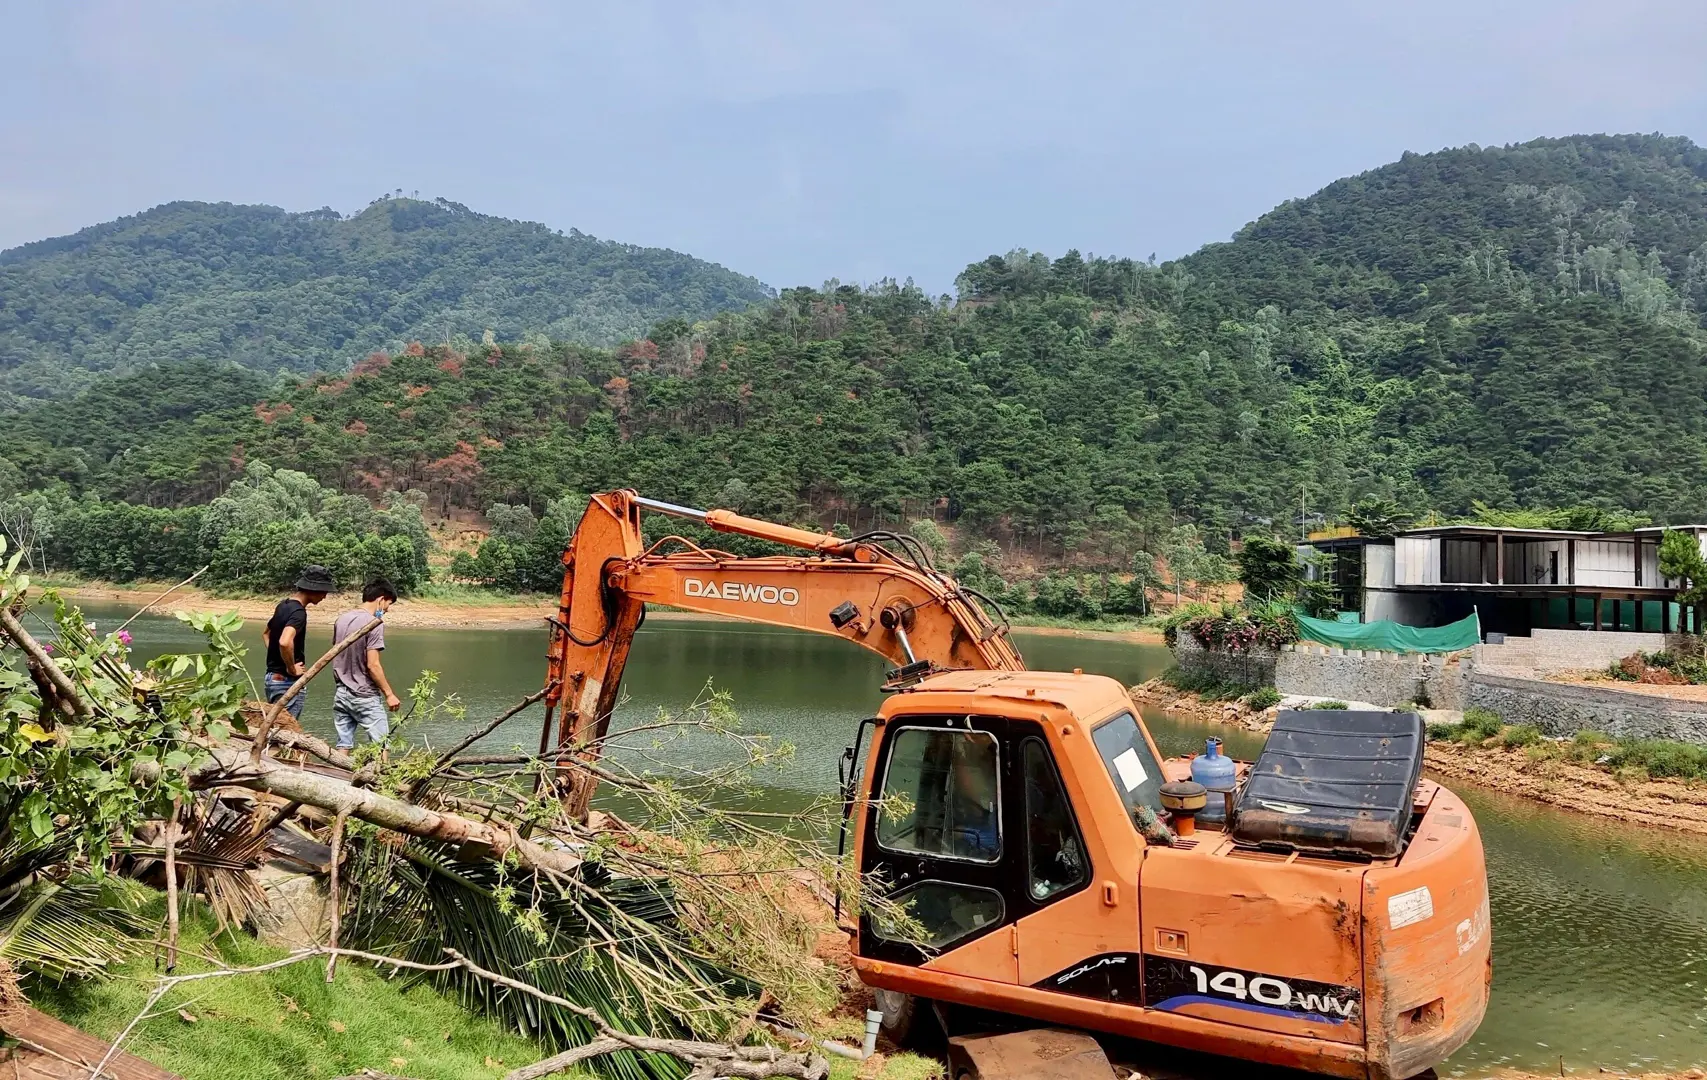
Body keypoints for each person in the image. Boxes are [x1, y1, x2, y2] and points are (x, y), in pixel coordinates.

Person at [330, 578, 402, 750]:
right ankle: (383, 776)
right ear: (380, 599)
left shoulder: (342, 619)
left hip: (341, 693)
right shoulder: (374, 624)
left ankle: (338, 775)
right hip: (364, 695)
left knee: (344, 743)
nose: (387, 610)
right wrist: (389, 694)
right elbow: (373, 665)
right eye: (388, 604)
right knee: (382, 744)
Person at [262, 565, 336, 721]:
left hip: (272, 679)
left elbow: (266, 634)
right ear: (313, 590)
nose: (324, 597)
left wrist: (280, 658)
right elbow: (284, 642)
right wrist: (291, 668)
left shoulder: (283, 605)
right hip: (286, 682)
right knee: (285, 730)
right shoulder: (299, 613)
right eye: (324, 592)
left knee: (274, 726)